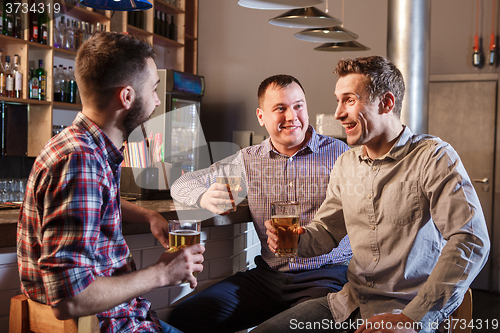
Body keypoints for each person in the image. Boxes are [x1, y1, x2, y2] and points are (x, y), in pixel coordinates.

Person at [256, 56, 491, 333]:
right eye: (338, 100)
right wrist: (296, 241)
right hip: (349, 303)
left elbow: (471, 240)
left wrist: (413, 319)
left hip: (409, 310)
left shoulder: (434, 157)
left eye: (350, 100)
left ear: (387, 103)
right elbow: (326, 231)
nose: (338, 113)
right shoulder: (346, 163)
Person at [17, 32, 205, 333]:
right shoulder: (81, 161)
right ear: (127, 97)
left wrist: (147, 215)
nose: (157, 100)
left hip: (128, 318)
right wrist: (162, 273)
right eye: (153, 89)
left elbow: (95, 200)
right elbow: (70, 299)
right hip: (114, 327)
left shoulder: (81, 146)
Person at [169, 74, 353, 332]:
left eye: (298, 106)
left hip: (327, 276)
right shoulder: (247, 160)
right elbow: (181, 184)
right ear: (261, 116)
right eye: (280, 108)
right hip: (268, 277)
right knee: (185, 316)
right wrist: (203, 196)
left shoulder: (340, 154)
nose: (292, 116)